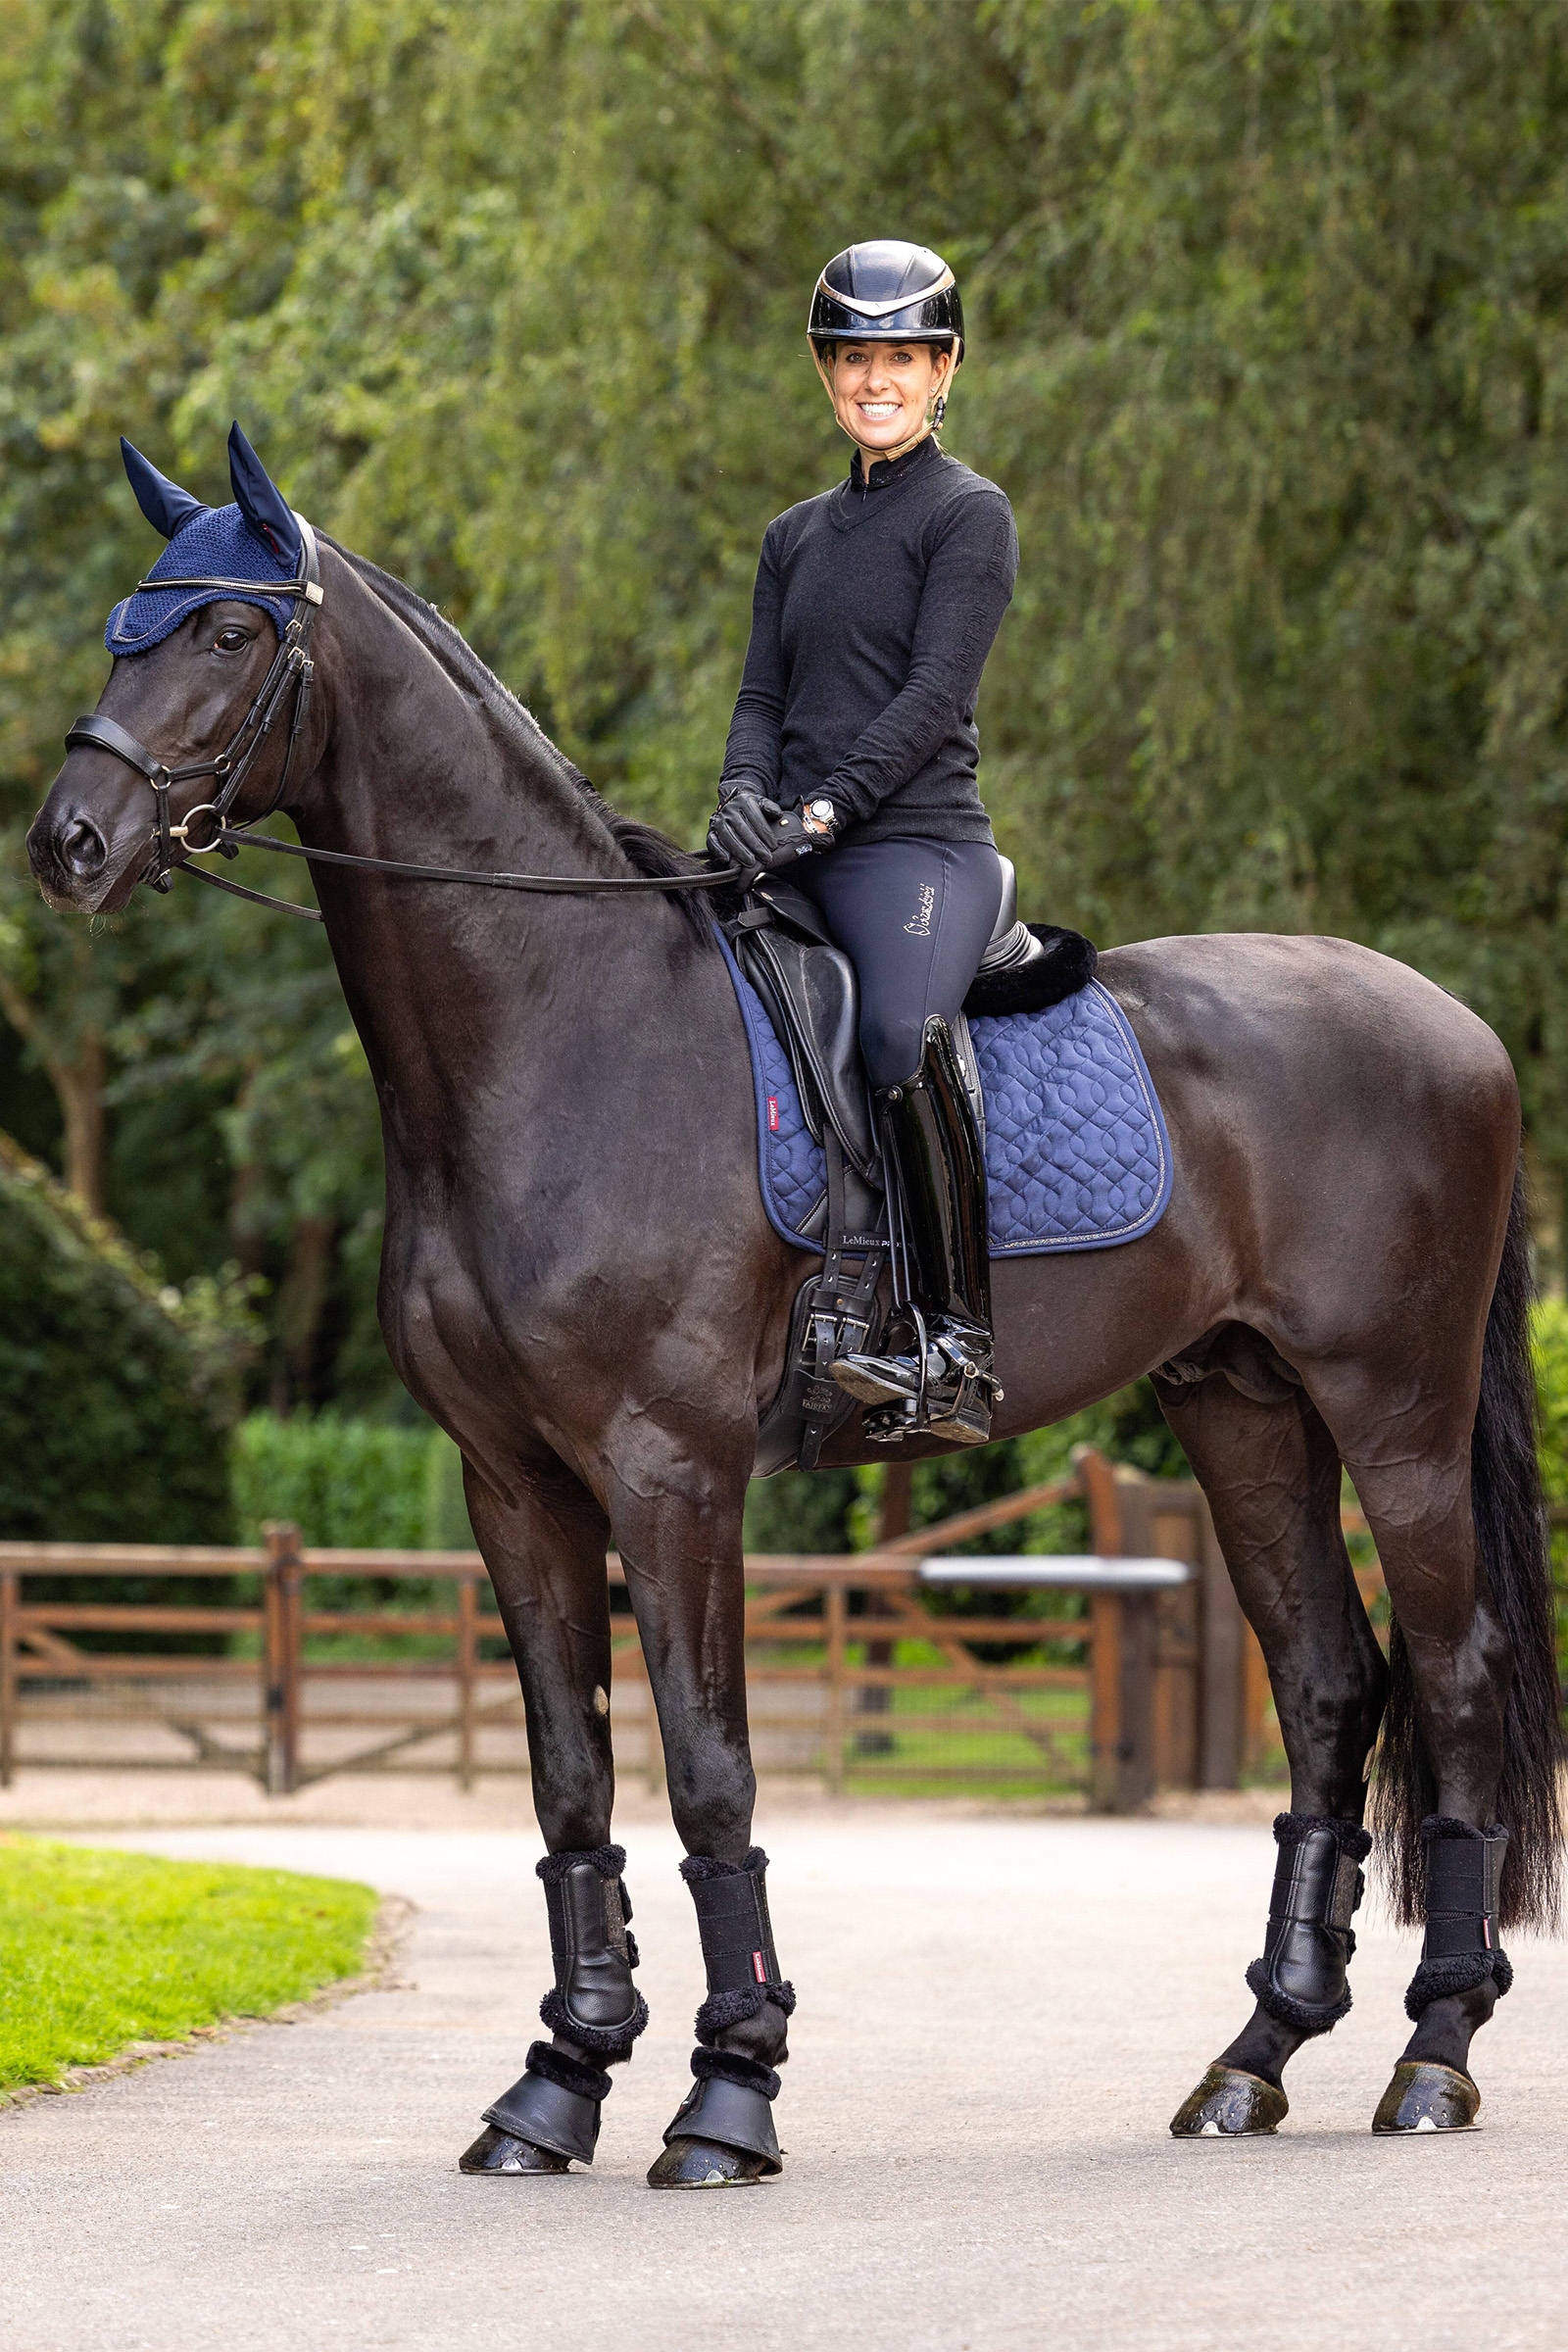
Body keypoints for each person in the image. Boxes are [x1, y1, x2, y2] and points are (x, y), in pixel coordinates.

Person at [708, 241, 1018, 1446]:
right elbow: (759, 697)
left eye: (902, 357)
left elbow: (934, 694)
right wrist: (744, 793)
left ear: (944, 369)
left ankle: (954, 1347)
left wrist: (827, 810)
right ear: (824, 370)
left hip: (916, 848)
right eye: (852, 358)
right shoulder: (792, 537)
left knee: (899, 1036)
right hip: (791, 846)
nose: (874, 379)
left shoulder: (968, 514)